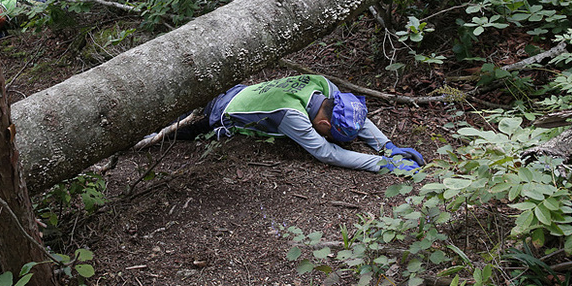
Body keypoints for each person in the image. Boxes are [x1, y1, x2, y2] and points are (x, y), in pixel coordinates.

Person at [171, 74, 425, 173]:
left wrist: (388, 146)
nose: (331, 138)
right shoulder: (291, 115)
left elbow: (355, 114)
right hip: (216, 111)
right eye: (332, 133)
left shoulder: (325, 87)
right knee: (165, 132)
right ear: (323, 122)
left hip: (238, 90)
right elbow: (326, 153)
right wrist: (383, 164)